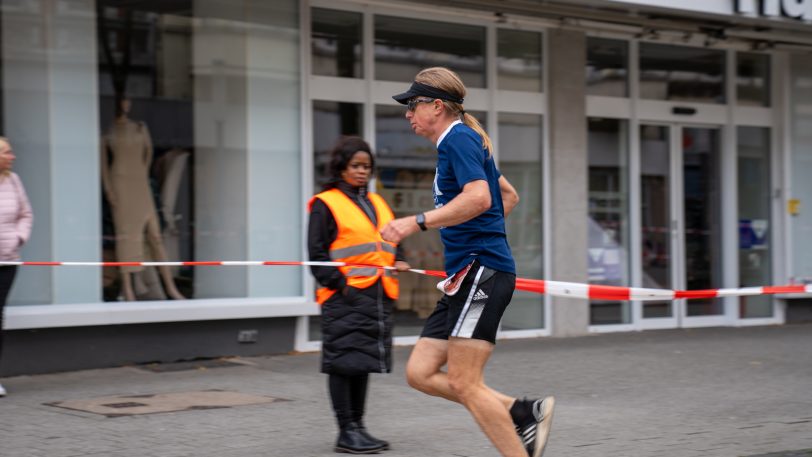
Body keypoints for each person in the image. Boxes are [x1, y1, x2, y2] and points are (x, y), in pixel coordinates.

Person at [380, 67, 555, 457]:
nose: (407, 113)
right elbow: (507, 195)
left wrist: (416, 221)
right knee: (420, 373)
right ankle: (521, 411)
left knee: (465, 383)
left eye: (413, 104)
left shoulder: (457, 139)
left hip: (481, 273)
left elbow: (481, 198)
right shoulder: (467, 139)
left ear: (436, 106)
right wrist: (479, 233)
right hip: (467, 276)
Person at [308, 136, 410, 454]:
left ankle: (359, 427)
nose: (362, 171)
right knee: (342, 363)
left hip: (377, 295)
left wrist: (399, 257)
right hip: (345, 296)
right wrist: (342, 286)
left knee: (362, 363)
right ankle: (346, 431)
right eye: (356, 166)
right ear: (341, 167)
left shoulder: (378, 202)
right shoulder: (326, 203)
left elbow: (392, 237)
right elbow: (316, 253)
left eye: (367, 166)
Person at [101, 97, 185, 301]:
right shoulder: (108, 130)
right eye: (123, 100)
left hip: (140, 183)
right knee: (127, 237)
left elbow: (149, 152)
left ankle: (171, 287)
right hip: (120, 183)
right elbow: (103, 165)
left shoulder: (140, 127)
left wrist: (142, 173)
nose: (126, 104)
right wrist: (109, 189)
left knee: (155, 236)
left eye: (129, 100)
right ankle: (128, 288)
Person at [0, 137, 33, 397]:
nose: (13, 156)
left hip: (7, 261)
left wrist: (18, 238)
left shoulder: (13, 180)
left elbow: (26, 214)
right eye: (8, 152)